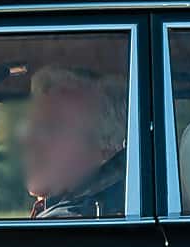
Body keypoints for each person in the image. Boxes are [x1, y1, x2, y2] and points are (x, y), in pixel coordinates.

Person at [23, 62, 127, 218]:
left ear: (106, 147)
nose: (29, 139)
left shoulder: (70, 220)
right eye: (34, 128)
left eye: (51, 127)